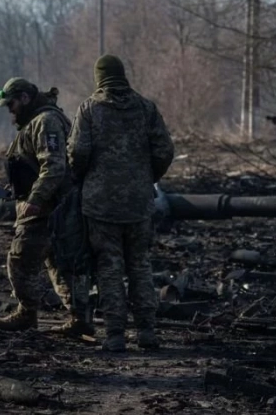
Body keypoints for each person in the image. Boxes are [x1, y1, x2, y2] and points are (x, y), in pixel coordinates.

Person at [67, 54, 175, 352]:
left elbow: (77, 152)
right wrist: (147, 177)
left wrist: (84, 178)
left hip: (101, 204)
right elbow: (164, 150)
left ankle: (115, 334)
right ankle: (147, 331)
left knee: (109, 266)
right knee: (140, 264)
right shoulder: (145, 108)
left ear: (98, 77)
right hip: (139, 202)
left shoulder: (90, 109)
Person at [0, 77, 93, 337]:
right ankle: (79, 317)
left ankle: (28, 313)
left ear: (25, 98)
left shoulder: (45, 121)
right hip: (51, 204)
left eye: (11, 104)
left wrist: (35, 200)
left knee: (21, 258)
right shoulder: (36, 122)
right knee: (58, 261)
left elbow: (54, 167)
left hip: (49, 206)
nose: (10, 110)